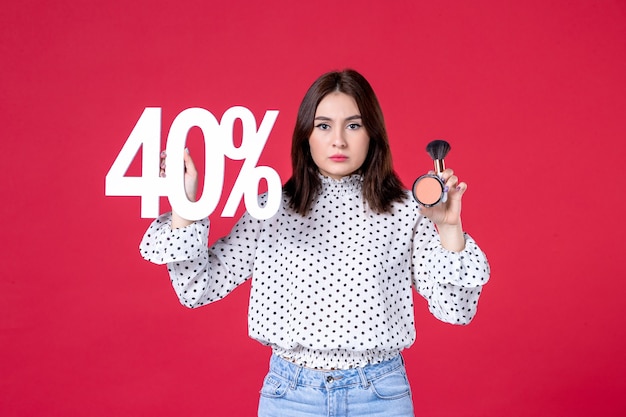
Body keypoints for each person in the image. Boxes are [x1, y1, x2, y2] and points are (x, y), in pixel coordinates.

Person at [140, 69, 490, 417]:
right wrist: (185, 207)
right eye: (324, 126)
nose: (338, 140)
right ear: (306, 134)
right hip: (290, 395)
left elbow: (456, 311)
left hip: (380, 395)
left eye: (353, 125)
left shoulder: (406, 212)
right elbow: (197, 288)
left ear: (373, 134)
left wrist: (449, 228)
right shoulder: (271, 209)